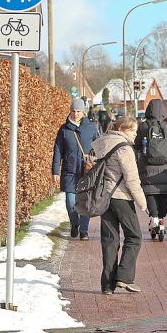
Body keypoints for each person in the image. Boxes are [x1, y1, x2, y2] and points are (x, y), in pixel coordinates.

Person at [91, 116, 149, 294]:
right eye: (132, 130)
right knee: (134, 236)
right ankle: (124, 277)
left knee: (110, 240)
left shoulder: (103, 143)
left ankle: (107, 285)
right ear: (123, 130)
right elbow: (131, 179)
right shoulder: (124, 148)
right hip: (121, 197)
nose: (135, 134)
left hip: (104, 196)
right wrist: (142, 203)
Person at [52, 98, 100, 240]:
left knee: (86, 203)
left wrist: (98, 163)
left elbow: (98, 147)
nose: (75, 114)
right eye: (73, 111)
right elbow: (58, 150)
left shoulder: (91, 127)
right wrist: (55, 171)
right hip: (69, 171)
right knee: (70, 202)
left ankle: (84, 231)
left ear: (83, 112)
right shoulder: (64, 129)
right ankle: (74, 224)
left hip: (87, 171)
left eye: (78, 111)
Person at [134, 101, 167, 237]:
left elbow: (136, 145)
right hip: (166, 165)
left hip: (147, 165)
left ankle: (153, 218)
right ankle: (161, 219)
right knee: (163, 193)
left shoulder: (143, 126)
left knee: (150, 192)